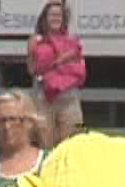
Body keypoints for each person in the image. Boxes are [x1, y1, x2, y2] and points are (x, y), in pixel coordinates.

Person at [28, 2, 86, 147]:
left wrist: (61, 64)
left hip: (69, 98)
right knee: (45, 144)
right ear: (45, 18)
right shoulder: (35, 40)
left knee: (70, 145)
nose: (56, 18)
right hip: (44, 98)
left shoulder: (72, 40)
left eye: (59, 15)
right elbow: (31, 69)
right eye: (52, 15)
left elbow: (80, 68)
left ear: (63, 18)